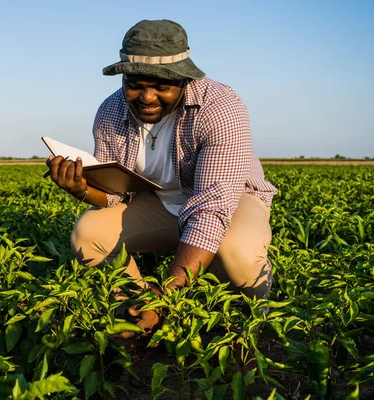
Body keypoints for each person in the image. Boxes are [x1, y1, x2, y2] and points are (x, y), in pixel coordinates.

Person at [46, 19, 277, 338]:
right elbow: (117, 196)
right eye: (136, 84)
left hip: (232, 202)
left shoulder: (220, 108)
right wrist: (81, 189)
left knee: (238, 253)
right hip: (161, 204)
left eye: (161, 86)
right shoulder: (111, 112)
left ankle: (245, 327)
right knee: (89, 234)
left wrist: (168, 292)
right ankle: (137, 314)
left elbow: (210, 211)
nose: (147, 98)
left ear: (184, 79)